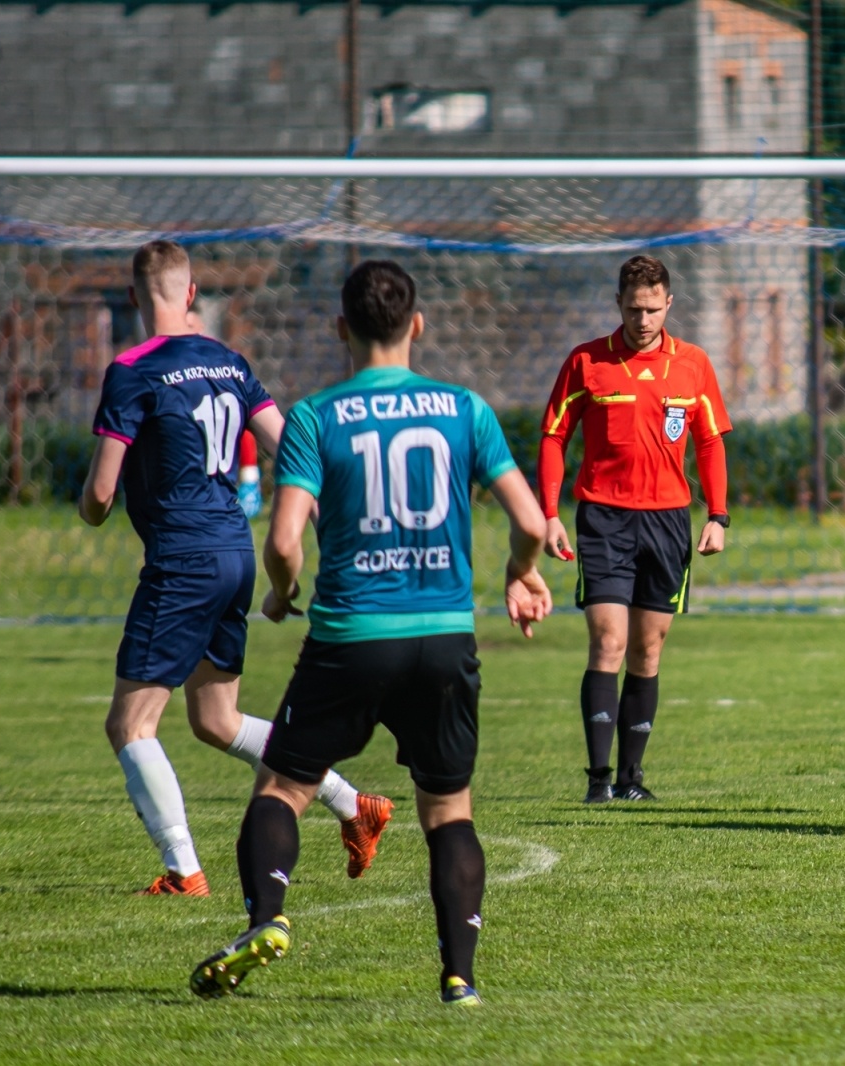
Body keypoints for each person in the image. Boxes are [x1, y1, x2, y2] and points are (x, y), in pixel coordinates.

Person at [189, 260, 552, 1006]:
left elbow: (286, 541)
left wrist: (285, 594)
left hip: (352, 634)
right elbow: (528, 520)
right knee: (448, 808)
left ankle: (266, 918)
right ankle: (460, 977)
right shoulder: (464, 410)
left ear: (341, 329)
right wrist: (521, 572)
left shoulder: (318, 417)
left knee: (285, 785)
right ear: (417, 325)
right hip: (446, 637)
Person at [80, 240, 390, 897]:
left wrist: (90, 504)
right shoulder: (228, 361)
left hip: (184, 559)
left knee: (130, 725)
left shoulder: (132, 369)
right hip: (235, 553)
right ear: (191, 294)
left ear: (135, 297)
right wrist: (326, 522)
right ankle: (352, 804)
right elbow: (289, 445)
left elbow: (101, 496)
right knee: (215, 720)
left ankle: (182, 870)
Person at [538, 255, 733, 803]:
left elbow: (711, 442)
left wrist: (717, 515)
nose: (642, 319)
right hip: (603, 518)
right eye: (632, 309)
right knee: (609, 641)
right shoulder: (586, 362)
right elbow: (553, 437)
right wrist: (550, 513)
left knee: (648, 650)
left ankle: (632, 781)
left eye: (651, 308)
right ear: (618, 305)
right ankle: (597, 782)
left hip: (669, 521)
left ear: (669, 304)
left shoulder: (693, 364)